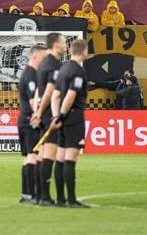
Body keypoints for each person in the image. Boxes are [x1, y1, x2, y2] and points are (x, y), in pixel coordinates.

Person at [51, 38, 91, 208]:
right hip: (73, 117)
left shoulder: (63, 69)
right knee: (70, 158)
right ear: (84, 52)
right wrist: (62, 114)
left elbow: (55, 96)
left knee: (59, 157)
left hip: (62, 118)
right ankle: (72, 199)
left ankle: (60, 199)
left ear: (70, 51)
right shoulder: (78, 71)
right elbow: (70, 95)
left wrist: (55, 117)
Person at [30, 33, 66, 206]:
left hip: (42, 113)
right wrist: (44, 112)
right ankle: (45, 197)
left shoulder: (43, 64)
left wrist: (37, 111)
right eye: (63, 43)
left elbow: (38, 90)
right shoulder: (54, 65)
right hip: (48, 114)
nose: (65, 46)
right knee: (49, 155)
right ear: (55, 45)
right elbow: (49, 92)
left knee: (41, 154)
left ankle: (38, 195)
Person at [17, 45, 48, 203]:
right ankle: (30, 194)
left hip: (27, 118)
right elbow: (32, 100)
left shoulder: (31, 74)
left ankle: (27, 194)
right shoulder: (30, 75)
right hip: (30, 119)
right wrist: (40, 114)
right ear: (36, 57)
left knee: (30, 156)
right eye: (44, 57)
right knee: (33, 156)